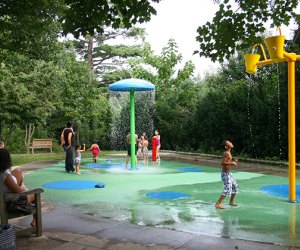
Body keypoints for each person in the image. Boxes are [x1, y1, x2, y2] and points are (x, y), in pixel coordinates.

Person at [0, 148, 36, 227]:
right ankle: (35, 222)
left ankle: (34, 221)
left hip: (5, 200)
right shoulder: (5, 176)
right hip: (10, 203)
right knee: (35, 194)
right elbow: (18, 191)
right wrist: (22, 189)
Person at [215, 140, 238, 209]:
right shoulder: (226, 153)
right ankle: (218, 203)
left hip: (229, 173)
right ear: (226, 146)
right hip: (225, 174)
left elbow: (227, 161)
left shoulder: (229, 153)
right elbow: (222, 163)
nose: (231, 143)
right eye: (229, 143)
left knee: (235, 186)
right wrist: (232, 163)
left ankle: (231, 201)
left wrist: (232, 161)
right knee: (227, 189)